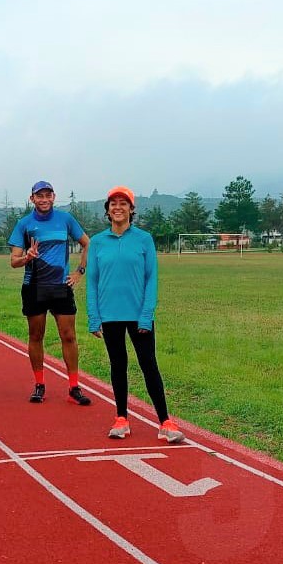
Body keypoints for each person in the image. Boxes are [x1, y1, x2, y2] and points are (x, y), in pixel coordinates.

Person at [86, 186, 184, 444]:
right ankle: (121, 419)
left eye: (123, 203)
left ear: (131, 209)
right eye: (113, 204)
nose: (118, 207)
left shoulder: (143, 240)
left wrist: (146, 314)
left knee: (149, 365)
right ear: (107, 210)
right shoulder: (97, 242)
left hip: (138, 315)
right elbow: (92, 282)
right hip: (109, 315)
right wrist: (93, 317)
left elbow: (151, 279)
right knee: (118, 365)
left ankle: (165, 421)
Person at [8, 180, 93, 406]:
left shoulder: (66, 220)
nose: (44, 199)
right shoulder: (24, 224)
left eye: (48, 195)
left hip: (61, 288)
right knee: (36, 336)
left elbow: (87, 243)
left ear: (54, 197)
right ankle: (39, 384)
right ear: (32, 199)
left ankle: (74, 387)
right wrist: (27, 257)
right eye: (39, 196)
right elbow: (13, 261)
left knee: (69, 336)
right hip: (34, 288)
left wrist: (79, 272)